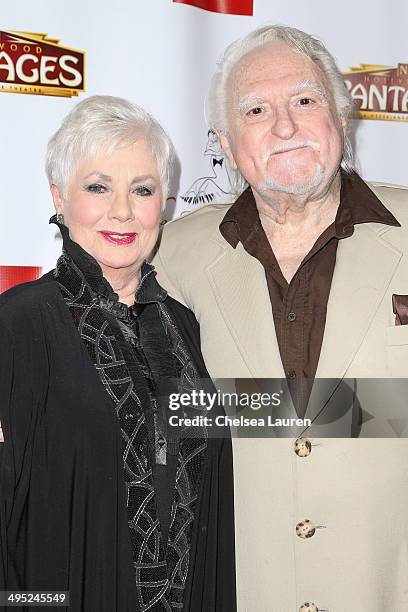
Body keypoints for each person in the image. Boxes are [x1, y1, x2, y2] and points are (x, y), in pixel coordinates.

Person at [153, 25, 408, 611]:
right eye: (256, 109)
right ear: (224, 140)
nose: (285, 126)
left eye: (304, 100)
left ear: (343, 117)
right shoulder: (170, 252)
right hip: (242, 590)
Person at [0, 96, 235, 612]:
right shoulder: (15, 324)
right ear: (59, 196)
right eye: (98, 187)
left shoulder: (184, 325)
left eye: (142, 190)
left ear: (166, 202)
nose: (123, 211)